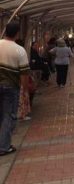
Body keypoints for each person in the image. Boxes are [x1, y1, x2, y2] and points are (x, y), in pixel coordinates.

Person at [0, 22, 30, 156]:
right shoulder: (19, 50)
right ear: (17, 33)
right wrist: (24, 90)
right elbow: (24, 74)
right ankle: (4, 146)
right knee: (8, 116)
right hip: (11, 87)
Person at [15, 39, 31, 121]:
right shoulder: (21, 51)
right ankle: (21, 115)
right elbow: (24, 69)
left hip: (12, 79)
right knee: (22, 96)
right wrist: (25, 84)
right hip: (20, 78)